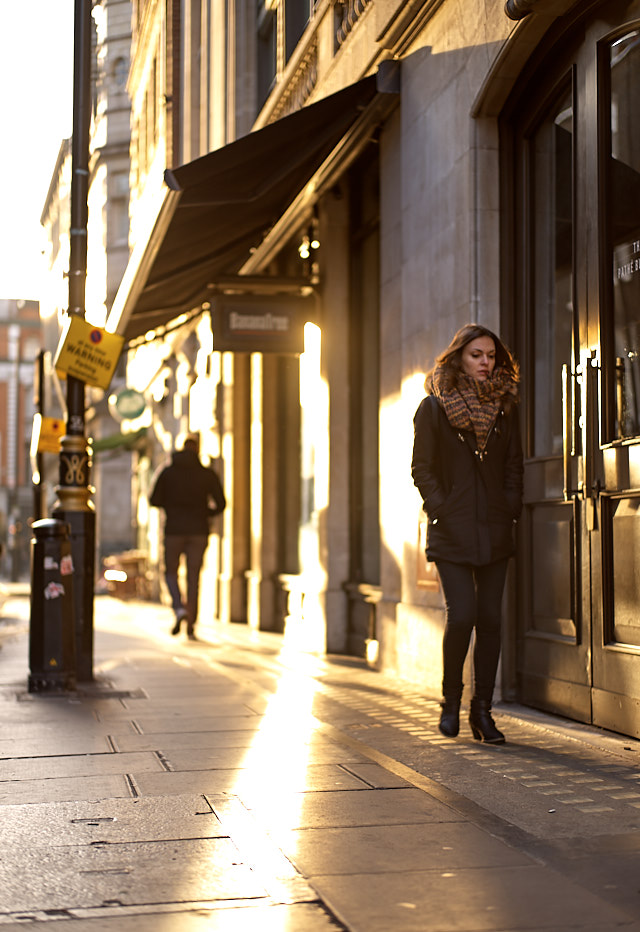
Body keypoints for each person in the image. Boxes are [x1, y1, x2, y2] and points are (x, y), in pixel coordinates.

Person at [411, 324, 523, 744]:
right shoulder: (434, 408)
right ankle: (450, 701)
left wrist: (510, 504)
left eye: (491, 356)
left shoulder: (505, 408)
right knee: (462, 616)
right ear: (459, 356)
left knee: (491, 619)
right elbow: (422, 467)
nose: (485, 363)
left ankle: (483, 713)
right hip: (452, 530)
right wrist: (440, 506)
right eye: (477, 355)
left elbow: (514, 465)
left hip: (494, 526)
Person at [150, 436, 226, 639]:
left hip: (174, 529)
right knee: (194, 577)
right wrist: (205, 512)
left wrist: (171, 506)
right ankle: (191, 622)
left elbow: (154, 499)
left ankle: (178, 607)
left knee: (170, 573)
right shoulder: (206, 474)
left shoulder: (168, 472)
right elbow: (221, 503)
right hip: (199, 530)